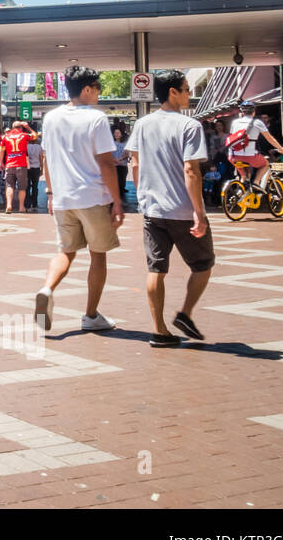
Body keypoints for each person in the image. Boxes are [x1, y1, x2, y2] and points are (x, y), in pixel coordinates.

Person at [125, 70, 213, 348]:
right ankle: (185, 313)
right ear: (172, 92)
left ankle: (159, 330)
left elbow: (135, 164)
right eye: (187, 89)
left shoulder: (142, 124)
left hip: (152, 210)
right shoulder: (189, 126)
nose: (190, 94)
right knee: (203, 264)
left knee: (156, 270)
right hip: (182, 211)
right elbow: (191, 170)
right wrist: (199, 212)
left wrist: (142, 196)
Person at [34, 66, 122, 334]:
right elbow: (107, 163)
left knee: (66, 252)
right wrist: (117, 201)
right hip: (93, 197)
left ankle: (47, 288)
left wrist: (50, 193)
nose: (99, 93)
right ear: (86, 89)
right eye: (97, 88)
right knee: (98, 254)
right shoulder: (96, 118)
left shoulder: (51, 118)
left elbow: (45, 159)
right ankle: (90, 315)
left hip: (63, 198)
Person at [227, 101, 283, 187]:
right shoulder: (257, 122)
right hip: (250, 156)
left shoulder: (235, 122)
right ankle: (256, 183)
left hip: (233, 156)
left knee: (244, 176)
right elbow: (270, 138)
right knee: (265, 165)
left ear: (242, 112)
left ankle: (242, 190)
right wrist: (280, 148)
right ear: (254, 112)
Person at [0, 120, 38, 214]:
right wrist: (28, 127)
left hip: (9, 164)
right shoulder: (24, 135)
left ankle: (9, 205)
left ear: (13, 127)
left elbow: (1, 150)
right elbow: (35, 136)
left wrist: (1, 162)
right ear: (21, 128)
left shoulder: (6, 137)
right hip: (21, 165)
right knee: (22, 187)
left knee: (9, 186)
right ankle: (21, 207)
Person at [25, 131, 43, 212]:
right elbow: (41, 158)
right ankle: (34, 203)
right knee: (35, 186)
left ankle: (27, 204)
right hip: (36, 168)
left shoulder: (26, 146)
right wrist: (41, 168)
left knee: (27, 186)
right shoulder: (39, 147)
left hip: (27, 168)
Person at [111, 127, 129, 200]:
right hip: (114, 164)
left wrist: (120, 159)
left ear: (121, 134)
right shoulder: (111, 143)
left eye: (118, 133)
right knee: (116, 178)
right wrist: (115, 159)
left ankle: (122, 188)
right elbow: (109, 153)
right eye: (115, 133)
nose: (116, 134)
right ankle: (118, 192)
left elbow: (127, 153)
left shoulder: (125, 144)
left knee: (123, 177)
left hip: (123, 164)